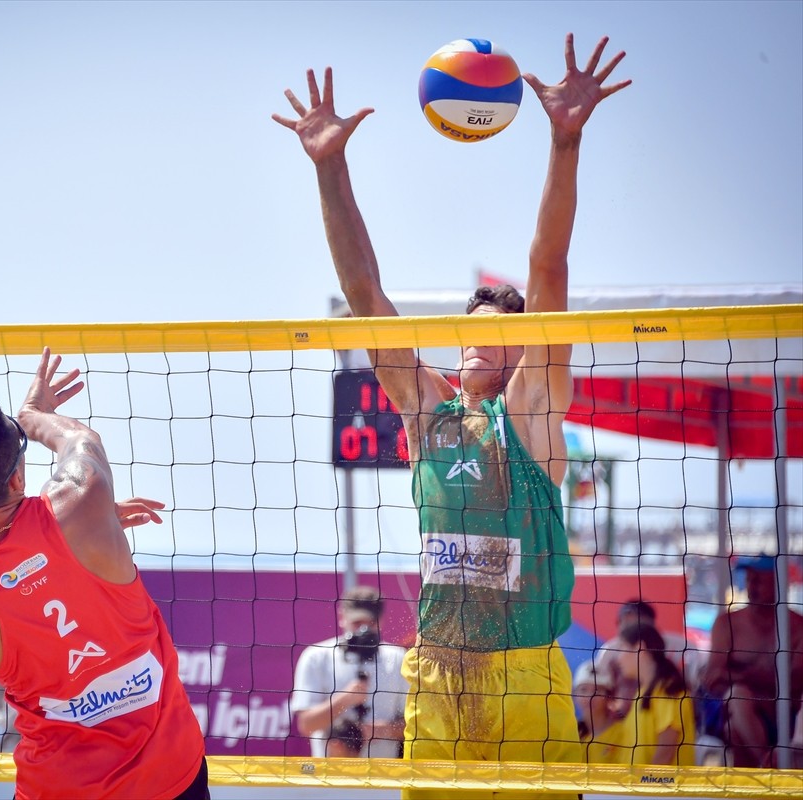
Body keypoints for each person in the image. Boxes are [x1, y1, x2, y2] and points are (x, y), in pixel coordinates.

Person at [274, 33, 630, 783]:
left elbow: (548, 266)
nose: (474, 341)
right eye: (470, 328)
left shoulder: (530, 410)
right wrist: (330, 167)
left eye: (494, 334)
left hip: (525, 676)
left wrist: (565, 142)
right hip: (436, 676)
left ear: (519, 351)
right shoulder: (427, 412)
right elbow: (366, 296)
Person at [0, 347, 208, 799]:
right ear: (16, 479)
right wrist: (33, 416)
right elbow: (80, 440)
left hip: (58, 787)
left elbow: (12, 577)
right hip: (169, 778)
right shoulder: (83, 500)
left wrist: (87, 530)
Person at [700, 554, 803, 768]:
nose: (751, 586)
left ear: (778, 583)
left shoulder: (797, 626)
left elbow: (794, 684)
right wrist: (763, 678)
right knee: (738, 698)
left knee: (735, 726)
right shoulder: (728, 624)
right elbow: (713, 678)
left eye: (758, 580)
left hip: (786, 714)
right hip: (738, 709)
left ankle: (763, 772)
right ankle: (768, 764)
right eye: (748, 579)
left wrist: (740, 674)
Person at [291, 585, 408, 758]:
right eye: (357, 623)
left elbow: (416, 725)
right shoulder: (317, 656)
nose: (363, 630)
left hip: (383, 771)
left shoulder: (398, 658)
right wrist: (346, 698)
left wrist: (383, 730)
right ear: (342, 617)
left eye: (370, 623)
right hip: (330, 770)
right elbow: (306, 724)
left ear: (381, 621)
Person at [574, 599, 701, 739]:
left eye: (633, 624)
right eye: (622, 622)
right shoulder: (610, 652)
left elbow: (666, 747)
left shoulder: (670, 687)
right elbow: (597, 694)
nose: (626, 628)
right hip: (623, 728)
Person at [584, 620, 695, 766]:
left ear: (639, 647)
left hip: (658, 781)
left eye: (622, 649)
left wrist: (644, 780)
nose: (618, 659)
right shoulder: (643, 692)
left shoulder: (667, 689)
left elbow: (666, 753)